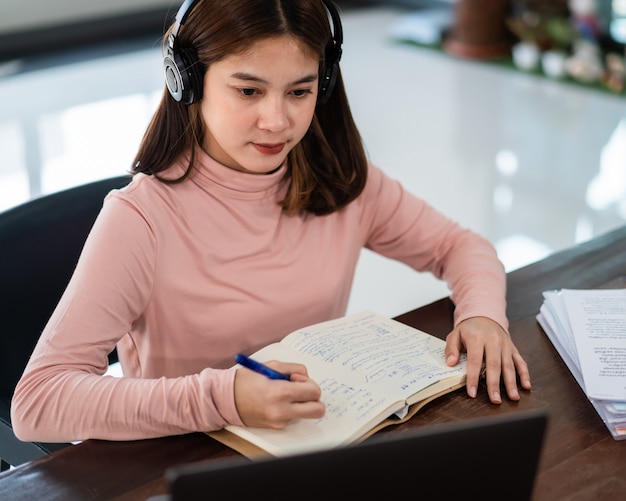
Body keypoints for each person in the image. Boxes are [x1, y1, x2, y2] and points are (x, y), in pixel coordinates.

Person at [11, 0, 531, 443]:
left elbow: (462, 247)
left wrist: (481, 314)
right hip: (185, 457)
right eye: (248, 91)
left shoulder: (344, 182)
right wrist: (222, 397)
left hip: (314, 439)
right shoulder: (140, 219)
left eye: (300, 92)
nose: (277, 122)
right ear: (187, 81)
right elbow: (38, 402)